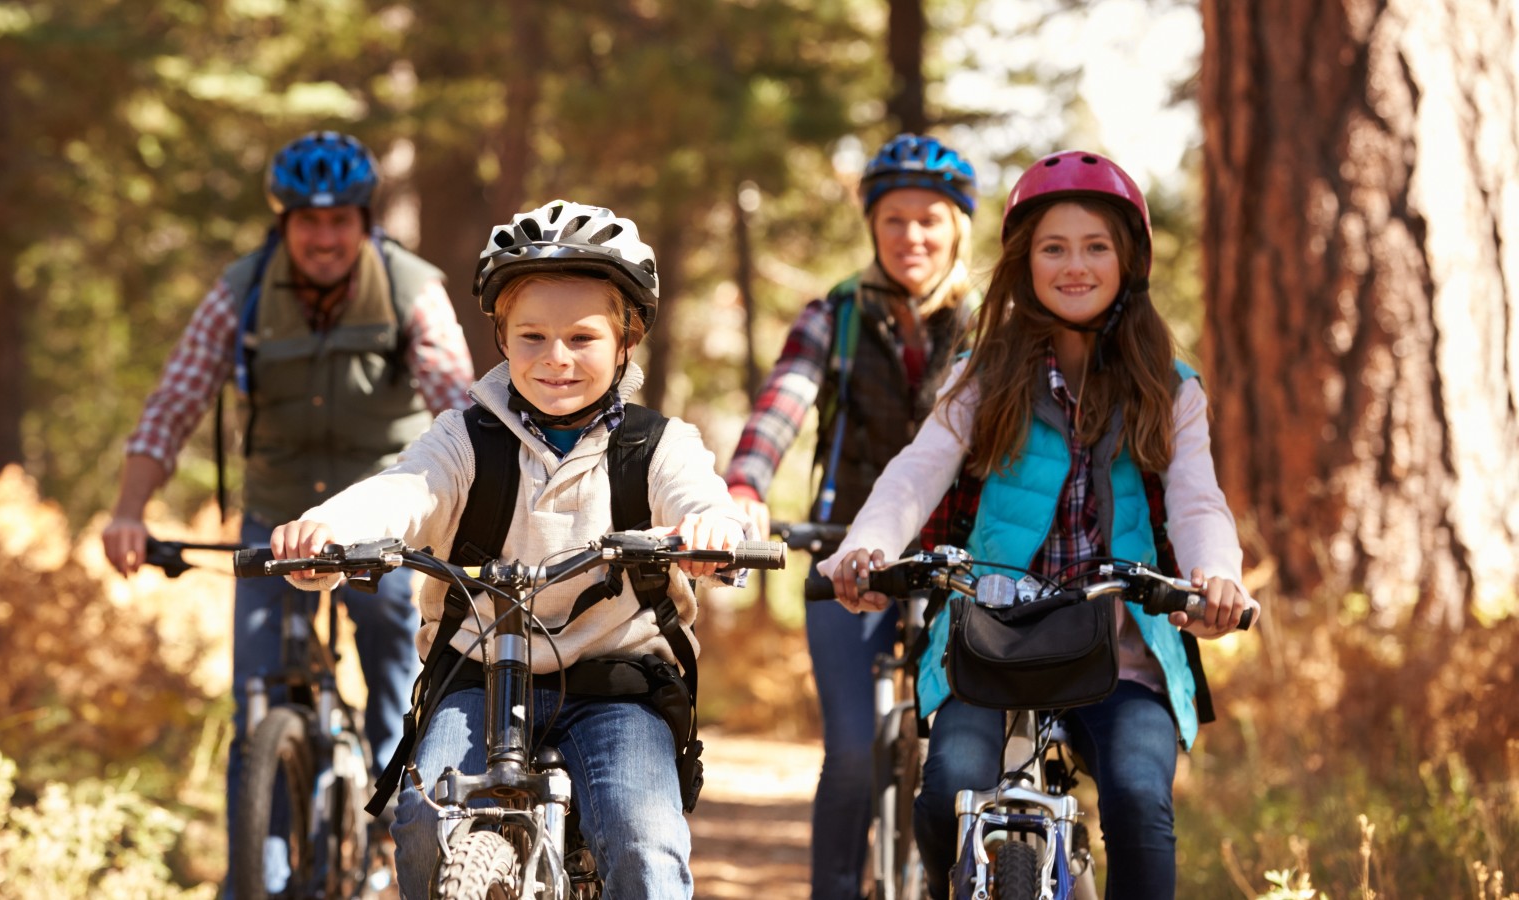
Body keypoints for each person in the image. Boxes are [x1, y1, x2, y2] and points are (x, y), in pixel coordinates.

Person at [272, 199, 750, 899]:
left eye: (582, 338)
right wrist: (330, 526)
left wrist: (713, 534)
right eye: (531, 336)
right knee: (423, 820)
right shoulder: (465, 438)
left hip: (617, 686)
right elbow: (405, 489)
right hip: (477, 677)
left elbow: (702, 501)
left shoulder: (657, 447)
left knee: (644, 842)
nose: (555, 359)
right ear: (500, 338)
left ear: (628, 339)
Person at [819, 150, 1261, 898]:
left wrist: (1216, 576)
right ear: (1025, 263)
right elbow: (917, 470)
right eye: (1054, 248)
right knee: (948, 789)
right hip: (987, 641)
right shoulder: (984, 372)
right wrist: (865, 548)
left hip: (1120, 647)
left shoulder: (1170, 387)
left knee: (1138, 797)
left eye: (1097, 247)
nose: (1075, 265)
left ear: (1131, 261)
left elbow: (1196, 499)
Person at [100, 132, 474, 889]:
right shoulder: (240, 290)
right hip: (273, 517)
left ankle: (391, 835)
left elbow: (458, 405)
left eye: (342, 220)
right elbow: (175, 400)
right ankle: (259, 883)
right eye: (309, 221)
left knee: (399, 671)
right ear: (283, 224)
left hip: (381, 519)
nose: (326, 237)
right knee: (256, 705)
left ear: (365, 221)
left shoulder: (410, 288)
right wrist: (129, 509)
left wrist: (475, 513)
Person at [722, 133, 977, 898]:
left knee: (960, 753)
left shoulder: (992, 320)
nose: (912, 237)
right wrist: (744, 487)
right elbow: (783, 404)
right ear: (873, 226)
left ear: (958, 227)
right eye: (894, 220)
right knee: (853, 753)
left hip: (961, 555)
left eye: (930, 219)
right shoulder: (834, 314)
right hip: (843, 547)